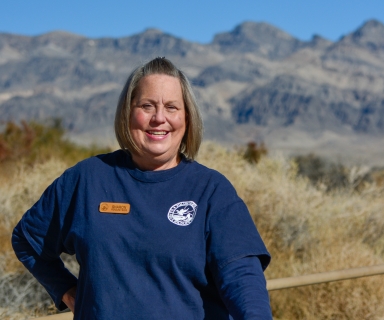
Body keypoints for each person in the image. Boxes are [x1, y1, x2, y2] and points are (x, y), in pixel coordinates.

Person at [12, 57, 272, 319]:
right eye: (147, 106)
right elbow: (28, 239)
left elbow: (242, 278)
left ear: (187, 118)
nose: (159, 118)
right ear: (127, 112)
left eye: (172, 107)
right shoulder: (87, 180)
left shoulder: (211, 191)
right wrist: (66, 289)